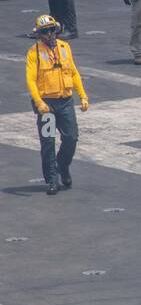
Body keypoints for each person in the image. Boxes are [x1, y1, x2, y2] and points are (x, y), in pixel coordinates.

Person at [25, 14, 89, 195]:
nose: (50, 34)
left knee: (71, 137)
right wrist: (39, 102)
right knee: (48, 142)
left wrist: (83, 96)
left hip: (66, 101)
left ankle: (62, 164)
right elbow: (30, 80)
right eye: (45, 32)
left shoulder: (65, 47)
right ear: (39, 34)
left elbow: (74, 73)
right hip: (46, 104)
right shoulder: (34, 53)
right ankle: (52, 180)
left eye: (52, 30)